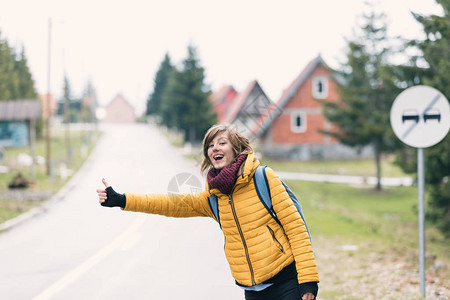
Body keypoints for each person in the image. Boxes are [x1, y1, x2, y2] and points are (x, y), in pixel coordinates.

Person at [97, 124, 319, 299]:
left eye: (222, 142)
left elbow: (296, 228)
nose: (215, 148)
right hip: (252, 290)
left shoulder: (263, 178)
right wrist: (122, 200)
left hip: (287, 283)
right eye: (210, 145)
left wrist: (308, 280)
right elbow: (169, 204)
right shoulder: (213, 197)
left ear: (236, 148)